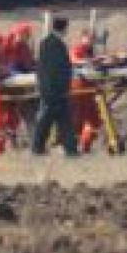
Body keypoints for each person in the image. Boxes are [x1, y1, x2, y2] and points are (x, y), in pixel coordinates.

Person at [31, 14, 78, 156]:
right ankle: (37, 148)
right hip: (54, 91)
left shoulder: (47, 43)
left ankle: (71, 150)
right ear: (64, 28)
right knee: (47, 121)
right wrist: (57, 89)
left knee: (63, 121)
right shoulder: (55, 44)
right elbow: (53, 70)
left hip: (54, 90)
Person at [68, 29, 101, 153]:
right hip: (78, 88)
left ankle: (85, 145)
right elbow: (74, 59)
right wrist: (89, 61)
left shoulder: (90, 51)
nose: (91, 42)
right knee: (78, 118)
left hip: (89, 88)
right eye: (89, 39)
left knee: (93, 118)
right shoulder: (77, 49)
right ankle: (77, 144)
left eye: (92, 40)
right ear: (83, 37)